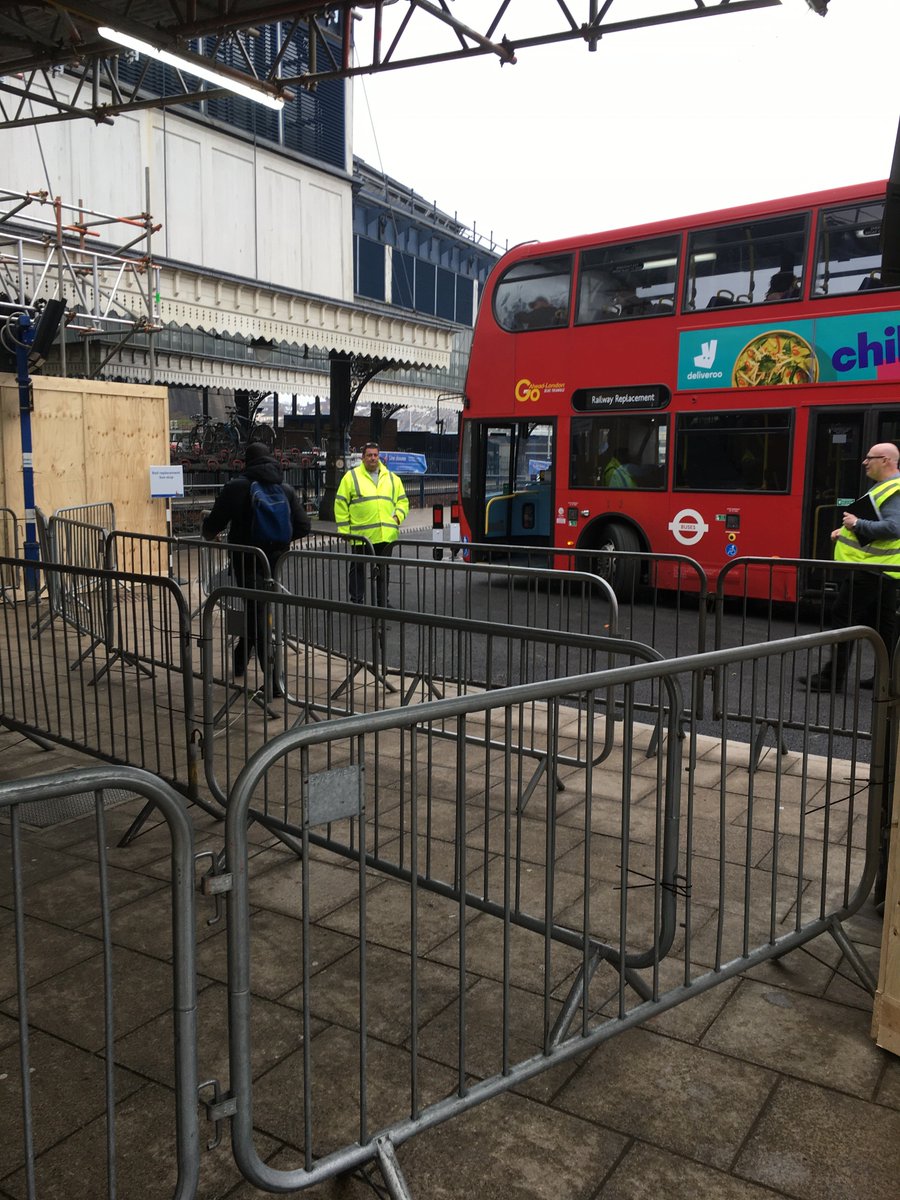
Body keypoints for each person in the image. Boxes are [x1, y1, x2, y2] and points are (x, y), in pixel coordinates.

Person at [202, 442, 310, 682]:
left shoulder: (236, 487)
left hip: (246, 560)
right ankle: (240, 658)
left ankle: (273, 679)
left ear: (246, 461)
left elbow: (212, 526)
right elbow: (304, 526)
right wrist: (279, 539)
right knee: (258, 610)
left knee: (257, 614)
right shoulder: (285, 488)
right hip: (274, 561)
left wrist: (211, 534)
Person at [800, 442, 900, 691]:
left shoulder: (894, 490)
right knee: (883, 625)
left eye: (870, 458)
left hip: (870, 569)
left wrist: (855, 524)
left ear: (886, 460)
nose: (864, 462)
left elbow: (893, 528)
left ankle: (831, 678)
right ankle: (888, 678)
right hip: (881, 569)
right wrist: (845, 531)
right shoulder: (885, 488)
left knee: (843, 617)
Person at [335, 442, 409, 605]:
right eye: (369, 455)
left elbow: (403, 501)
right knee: (358, 568)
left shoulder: (392, 478)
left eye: (375, 455)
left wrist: (397, 518)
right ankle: (357, 600)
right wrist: (344, 530)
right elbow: (340, 503)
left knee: (383, 569)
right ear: (363, 458)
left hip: (385, 534)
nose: (373, 458)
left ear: (379, 456)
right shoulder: (351, 477)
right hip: (361, 535)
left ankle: (382, 601)